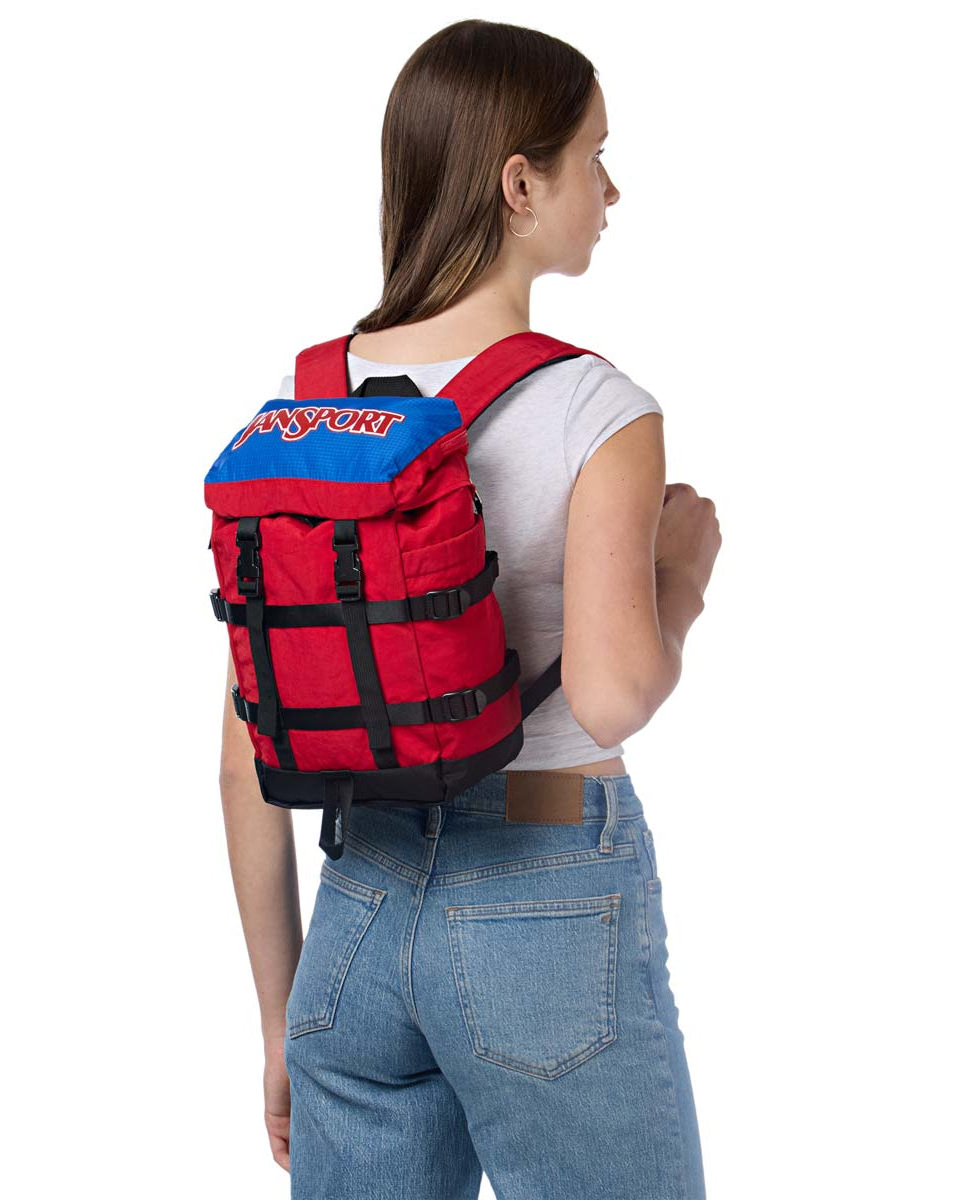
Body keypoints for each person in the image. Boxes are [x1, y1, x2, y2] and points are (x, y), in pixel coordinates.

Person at [216, 19, 721, 1200]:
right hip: (543, 892)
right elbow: (611, 694)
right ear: (519, 183)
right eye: (595, 155)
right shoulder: (598, 408)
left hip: (359, 904)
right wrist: (683, 578)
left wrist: (284, 1019)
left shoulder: (303, 408)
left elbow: (246, 759)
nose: (611, 189)